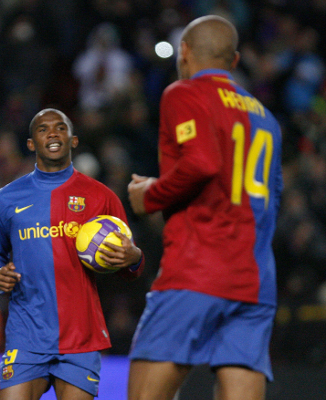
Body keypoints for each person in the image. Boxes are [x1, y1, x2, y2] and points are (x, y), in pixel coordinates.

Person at [127, 15, 283, 400]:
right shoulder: (267, 119)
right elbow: (273, 197)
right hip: (255, 280)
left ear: (184, 52)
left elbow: (201, 163)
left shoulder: (184, 93)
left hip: (196, 270)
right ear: (234, 60)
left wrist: (150, 193)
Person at [0, 108, 144, 400]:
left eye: (61, 128)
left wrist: (134, 258)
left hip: (80, 335)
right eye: (43, 129)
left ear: (74, 140)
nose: (53, 133)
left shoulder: (102, 197)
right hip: (26, 334)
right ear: (31, 144)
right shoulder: (5, 198)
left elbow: (129, 266)